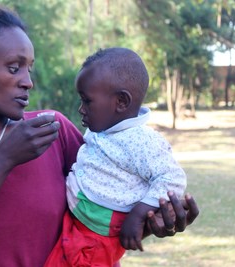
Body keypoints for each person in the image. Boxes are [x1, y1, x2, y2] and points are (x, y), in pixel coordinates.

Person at [0, 3, 199, 267]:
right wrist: (3, 159)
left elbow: (106, 208)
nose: (27, 82)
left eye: (29, 69)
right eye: (13, 67)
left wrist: (154, 220)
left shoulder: (50, 130)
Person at [44, 47, 187, 267]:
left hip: (97, 236)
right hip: (78, 223)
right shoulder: (102, 128)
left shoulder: (142, 141)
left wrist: (139, 214)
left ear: (121, 101)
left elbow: (173, 178)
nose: (81, 109)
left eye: (87, 101)